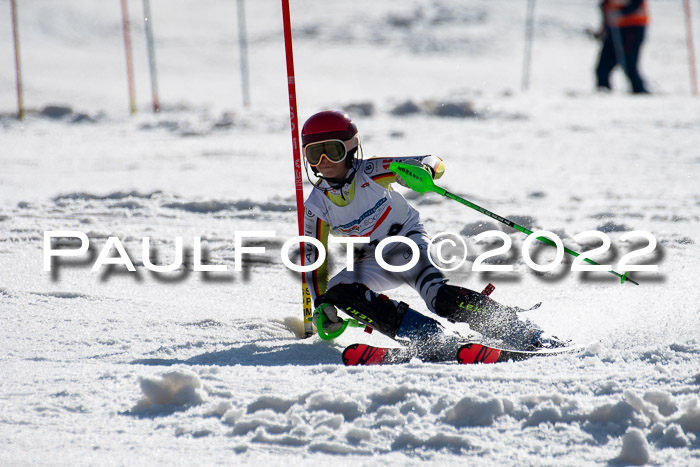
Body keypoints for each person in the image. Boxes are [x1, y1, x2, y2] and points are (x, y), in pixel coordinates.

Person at [301, 110, 565, 360]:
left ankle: (524, 332)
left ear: (350, 148)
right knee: (337, 291)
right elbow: (315, 262)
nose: (324, 163)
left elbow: (431, 160)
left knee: (438, 297)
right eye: (315, 155)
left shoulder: (370, 172)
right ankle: (431, 337)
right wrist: (321, 306)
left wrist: (424, 172)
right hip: (369, 260)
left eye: (332, 152)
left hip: (406, 244)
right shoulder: (316, 206)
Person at [595, 0, 650, 94]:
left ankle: (639, 90)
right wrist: (603, 30)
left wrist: (622, 13)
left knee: (629, 62)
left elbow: (636, 4)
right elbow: (605, 7)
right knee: (603, 66)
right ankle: (603, 91)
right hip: (614, 29)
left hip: (633, 26)